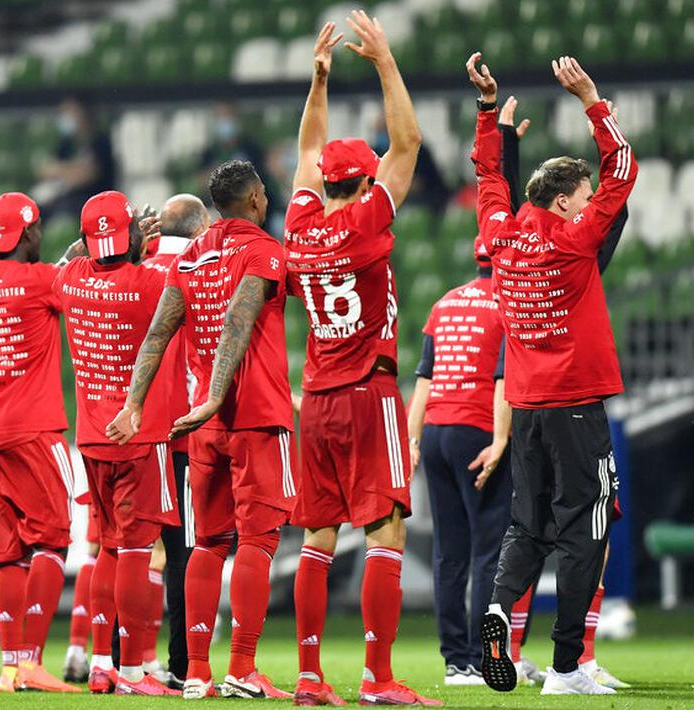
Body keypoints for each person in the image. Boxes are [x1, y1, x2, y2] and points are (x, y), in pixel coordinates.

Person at [469, 54, 637, 696]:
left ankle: (496, 609)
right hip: (576, 407)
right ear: (565, 202)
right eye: (584, 198)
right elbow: (624, 169)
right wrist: (593, 100)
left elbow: (488, 174)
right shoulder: (574, 240)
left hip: (528, 408)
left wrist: (488, 112)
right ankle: (567, 667)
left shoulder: (501, 236)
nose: (591, 204)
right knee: (585, 531)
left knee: (526, 525)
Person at [282, 15, 436, 707]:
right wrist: (384, 62)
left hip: (315, 399)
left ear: (324, 184)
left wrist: (318, 82)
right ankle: (377, 678)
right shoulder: (370, 218)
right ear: (367, 181)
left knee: (318, 536)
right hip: (369, 392)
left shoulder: (299, 226)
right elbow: (409, 141)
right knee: (385, 529)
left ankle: (309, 676)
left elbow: (307, 148)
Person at [108, 159, 296, 701]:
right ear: (256, 199)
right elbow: (240, 316)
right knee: (258, 539)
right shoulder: (264, 250)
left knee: (208, 543)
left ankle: (195, 672)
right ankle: (242, 668)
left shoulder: (190, 255)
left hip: (202, 428)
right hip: (253, 414)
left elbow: (158, 331)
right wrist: (218, 394)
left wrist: (134, 404)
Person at [55, 191, 181, 696]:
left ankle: (101, 662)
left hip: (90, 437)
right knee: (136, 551)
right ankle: (131, 671)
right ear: (130, 234)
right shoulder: (151, 282)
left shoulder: (70, 279)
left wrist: (99, 239)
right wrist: (140, 244)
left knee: (106, 548)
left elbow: (66, 258)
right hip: (139, 434)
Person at [0, 193, 79, 694]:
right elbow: (76, 287)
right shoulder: (41, 281)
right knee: (52, 539)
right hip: (32, 428)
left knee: (9, 550)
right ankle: (31, 660)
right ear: (29, 233)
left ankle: (10, 667)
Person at [407, 233, 508, 688]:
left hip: (435, 433)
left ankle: (455, 662)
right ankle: (486, 659)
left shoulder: (444, 303)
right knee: (489, 551)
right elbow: (504, 378)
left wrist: (412, 441)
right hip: (477, 431)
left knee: (449, 553)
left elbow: (424, 380)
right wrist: (501, 439)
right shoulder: (509, 303)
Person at [134, 193, 210, 688]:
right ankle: (183, 665)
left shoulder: (134, 268)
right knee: (185, 553)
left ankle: (119, 662)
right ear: (200, 229)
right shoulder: (200, 267)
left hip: (131, 430)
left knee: (128, 550)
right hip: (183, 434)